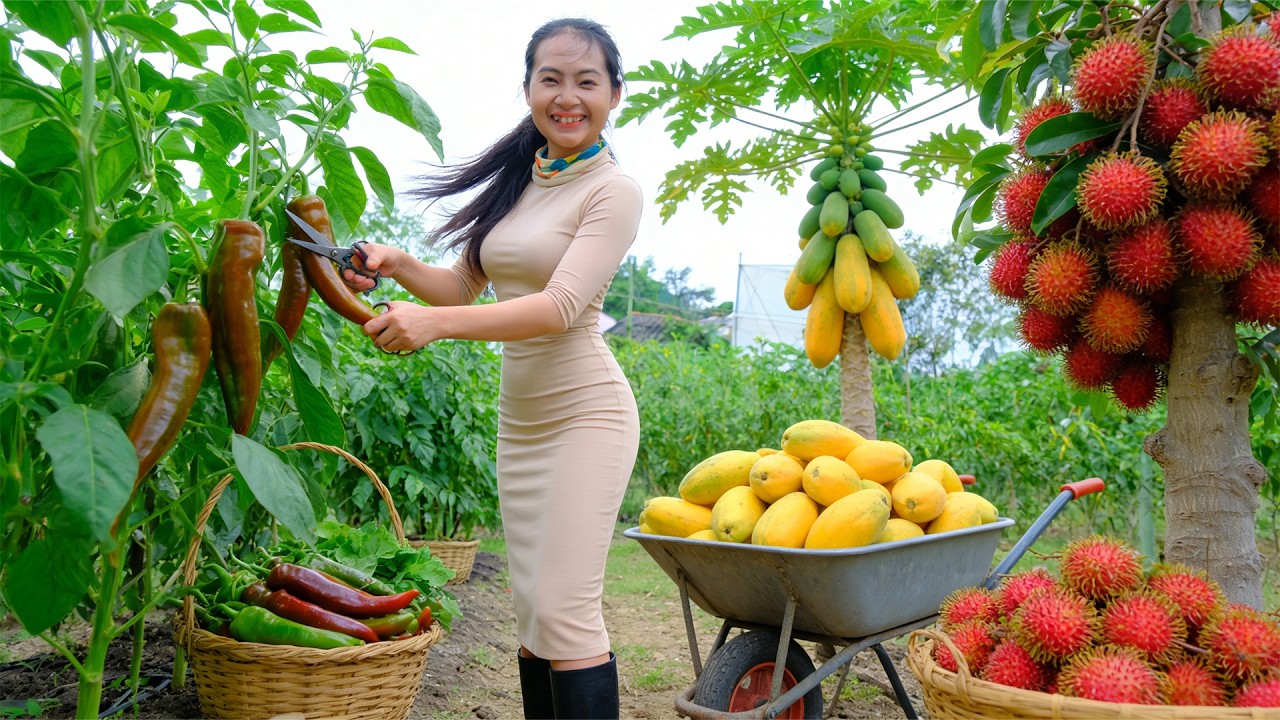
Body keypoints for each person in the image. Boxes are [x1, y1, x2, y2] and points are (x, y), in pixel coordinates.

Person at [343, 17, 642, 720]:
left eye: (586, 81)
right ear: (530, 89)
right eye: (551, 79)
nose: (567, 97)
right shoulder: (523, 181)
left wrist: (434, 328)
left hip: (584, 415)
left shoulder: (613, 190)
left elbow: (559, 307)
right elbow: (459, 286)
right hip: (524, 423)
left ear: (614, 95)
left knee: (566, 617)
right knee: (536, 619)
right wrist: (399, 264)